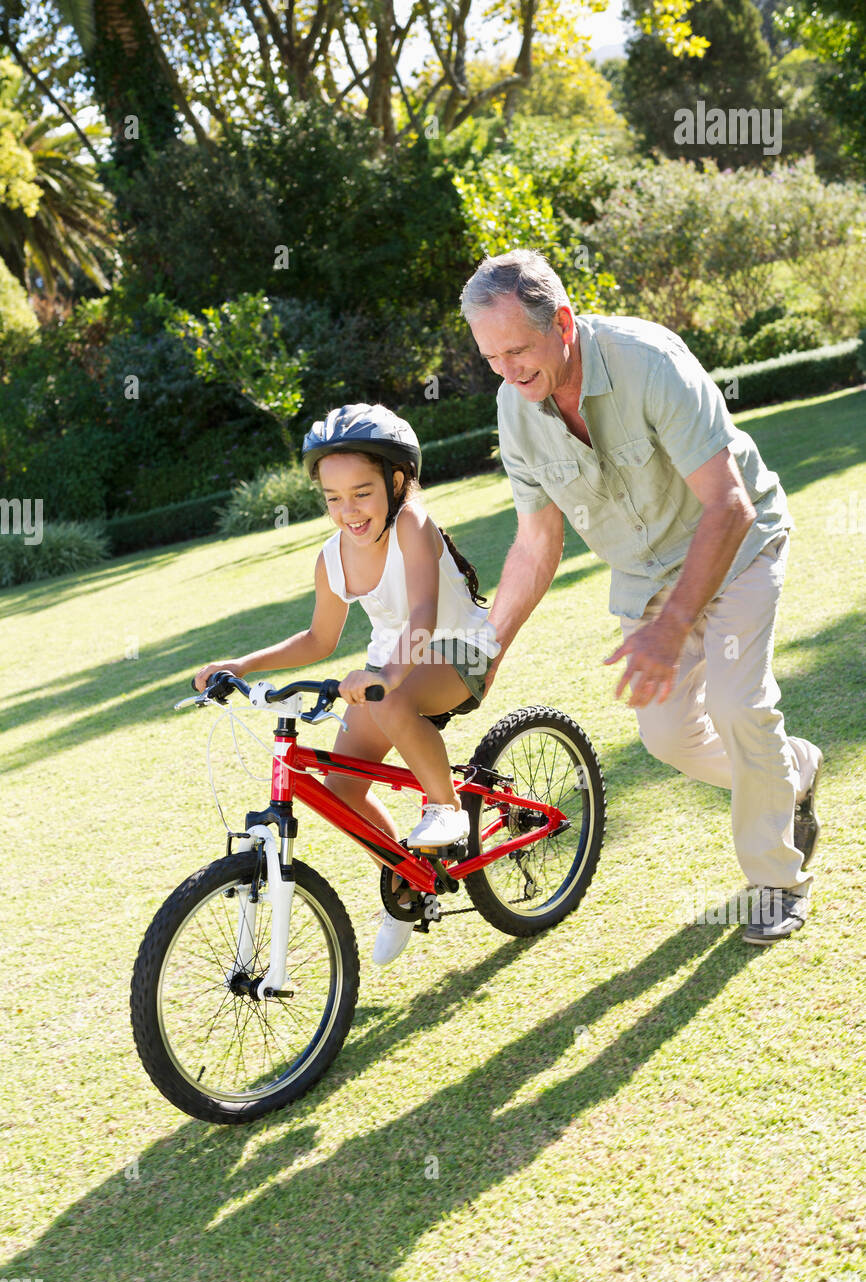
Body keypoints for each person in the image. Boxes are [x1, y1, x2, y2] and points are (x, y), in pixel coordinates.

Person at [460, 248, 823, 946]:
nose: (508, 371)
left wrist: (670, 629)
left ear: (562, 321)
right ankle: (791, 770)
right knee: (669, 738)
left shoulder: (646, 360)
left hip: (738, 549)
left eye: (519, 349)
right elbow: (537, 543)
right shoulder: (517, 408)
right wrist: (486, 647)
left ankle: (776, 881)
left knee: (738, 704)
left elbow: (728, 506)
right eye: (491, 358)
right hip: (646, 578)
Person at [194, 402, 499, 965]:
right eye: (333, 498)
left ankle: (446, 807)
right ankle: (406, 877)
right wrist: (240, 665)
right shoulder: (332, 557)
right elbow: (317, 640)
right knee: (342, 789)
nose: (347, 511)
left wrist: (385, 676)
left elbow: (426, 614)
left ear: (398, 481)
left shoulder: (412, 523)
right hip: (390, 668)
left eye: (362, 492)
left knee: (393, 697)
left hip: (459, 650)